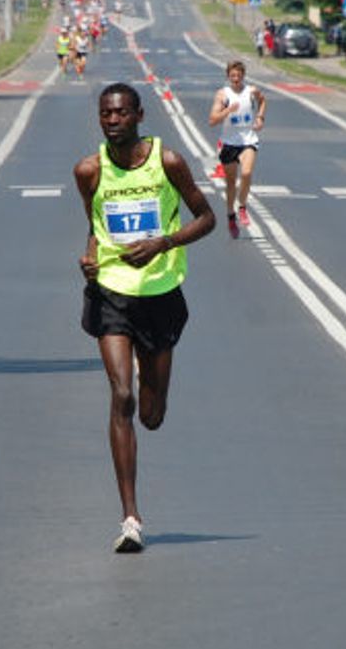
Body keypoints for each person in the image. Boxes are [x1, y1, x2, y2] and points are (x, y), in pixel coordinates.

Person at [74, 83, 216, 553]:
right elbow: (94, 227)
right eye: (104, 114)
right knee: (121, 397)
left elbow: (206, 217)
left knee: (152, 415)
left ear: (138, 115)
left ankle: (146, 373)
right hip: (111, 293)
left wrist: (163, 243)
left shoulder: (168, 162)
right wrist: (90, 256)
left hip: (161, 293)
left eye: (119, 113)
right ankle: (130, 517)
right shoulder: (89, 171)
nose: (111, 121)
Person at [208, 60, 266, 238]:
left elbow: (263, 100)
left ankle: (242, 207)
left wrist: (260, 118)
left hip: (248, 139)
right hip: (229, 143)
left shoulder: (251, 91)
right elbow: (212, 120)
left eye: (239, 76)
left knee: (247, 173)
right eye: (232, 76)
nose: (236, 79)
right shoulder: (222, 95)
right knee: (231, 183)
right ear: (228, 76)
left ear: (243, 76)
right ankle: (231, 216)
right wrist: (227, 111)